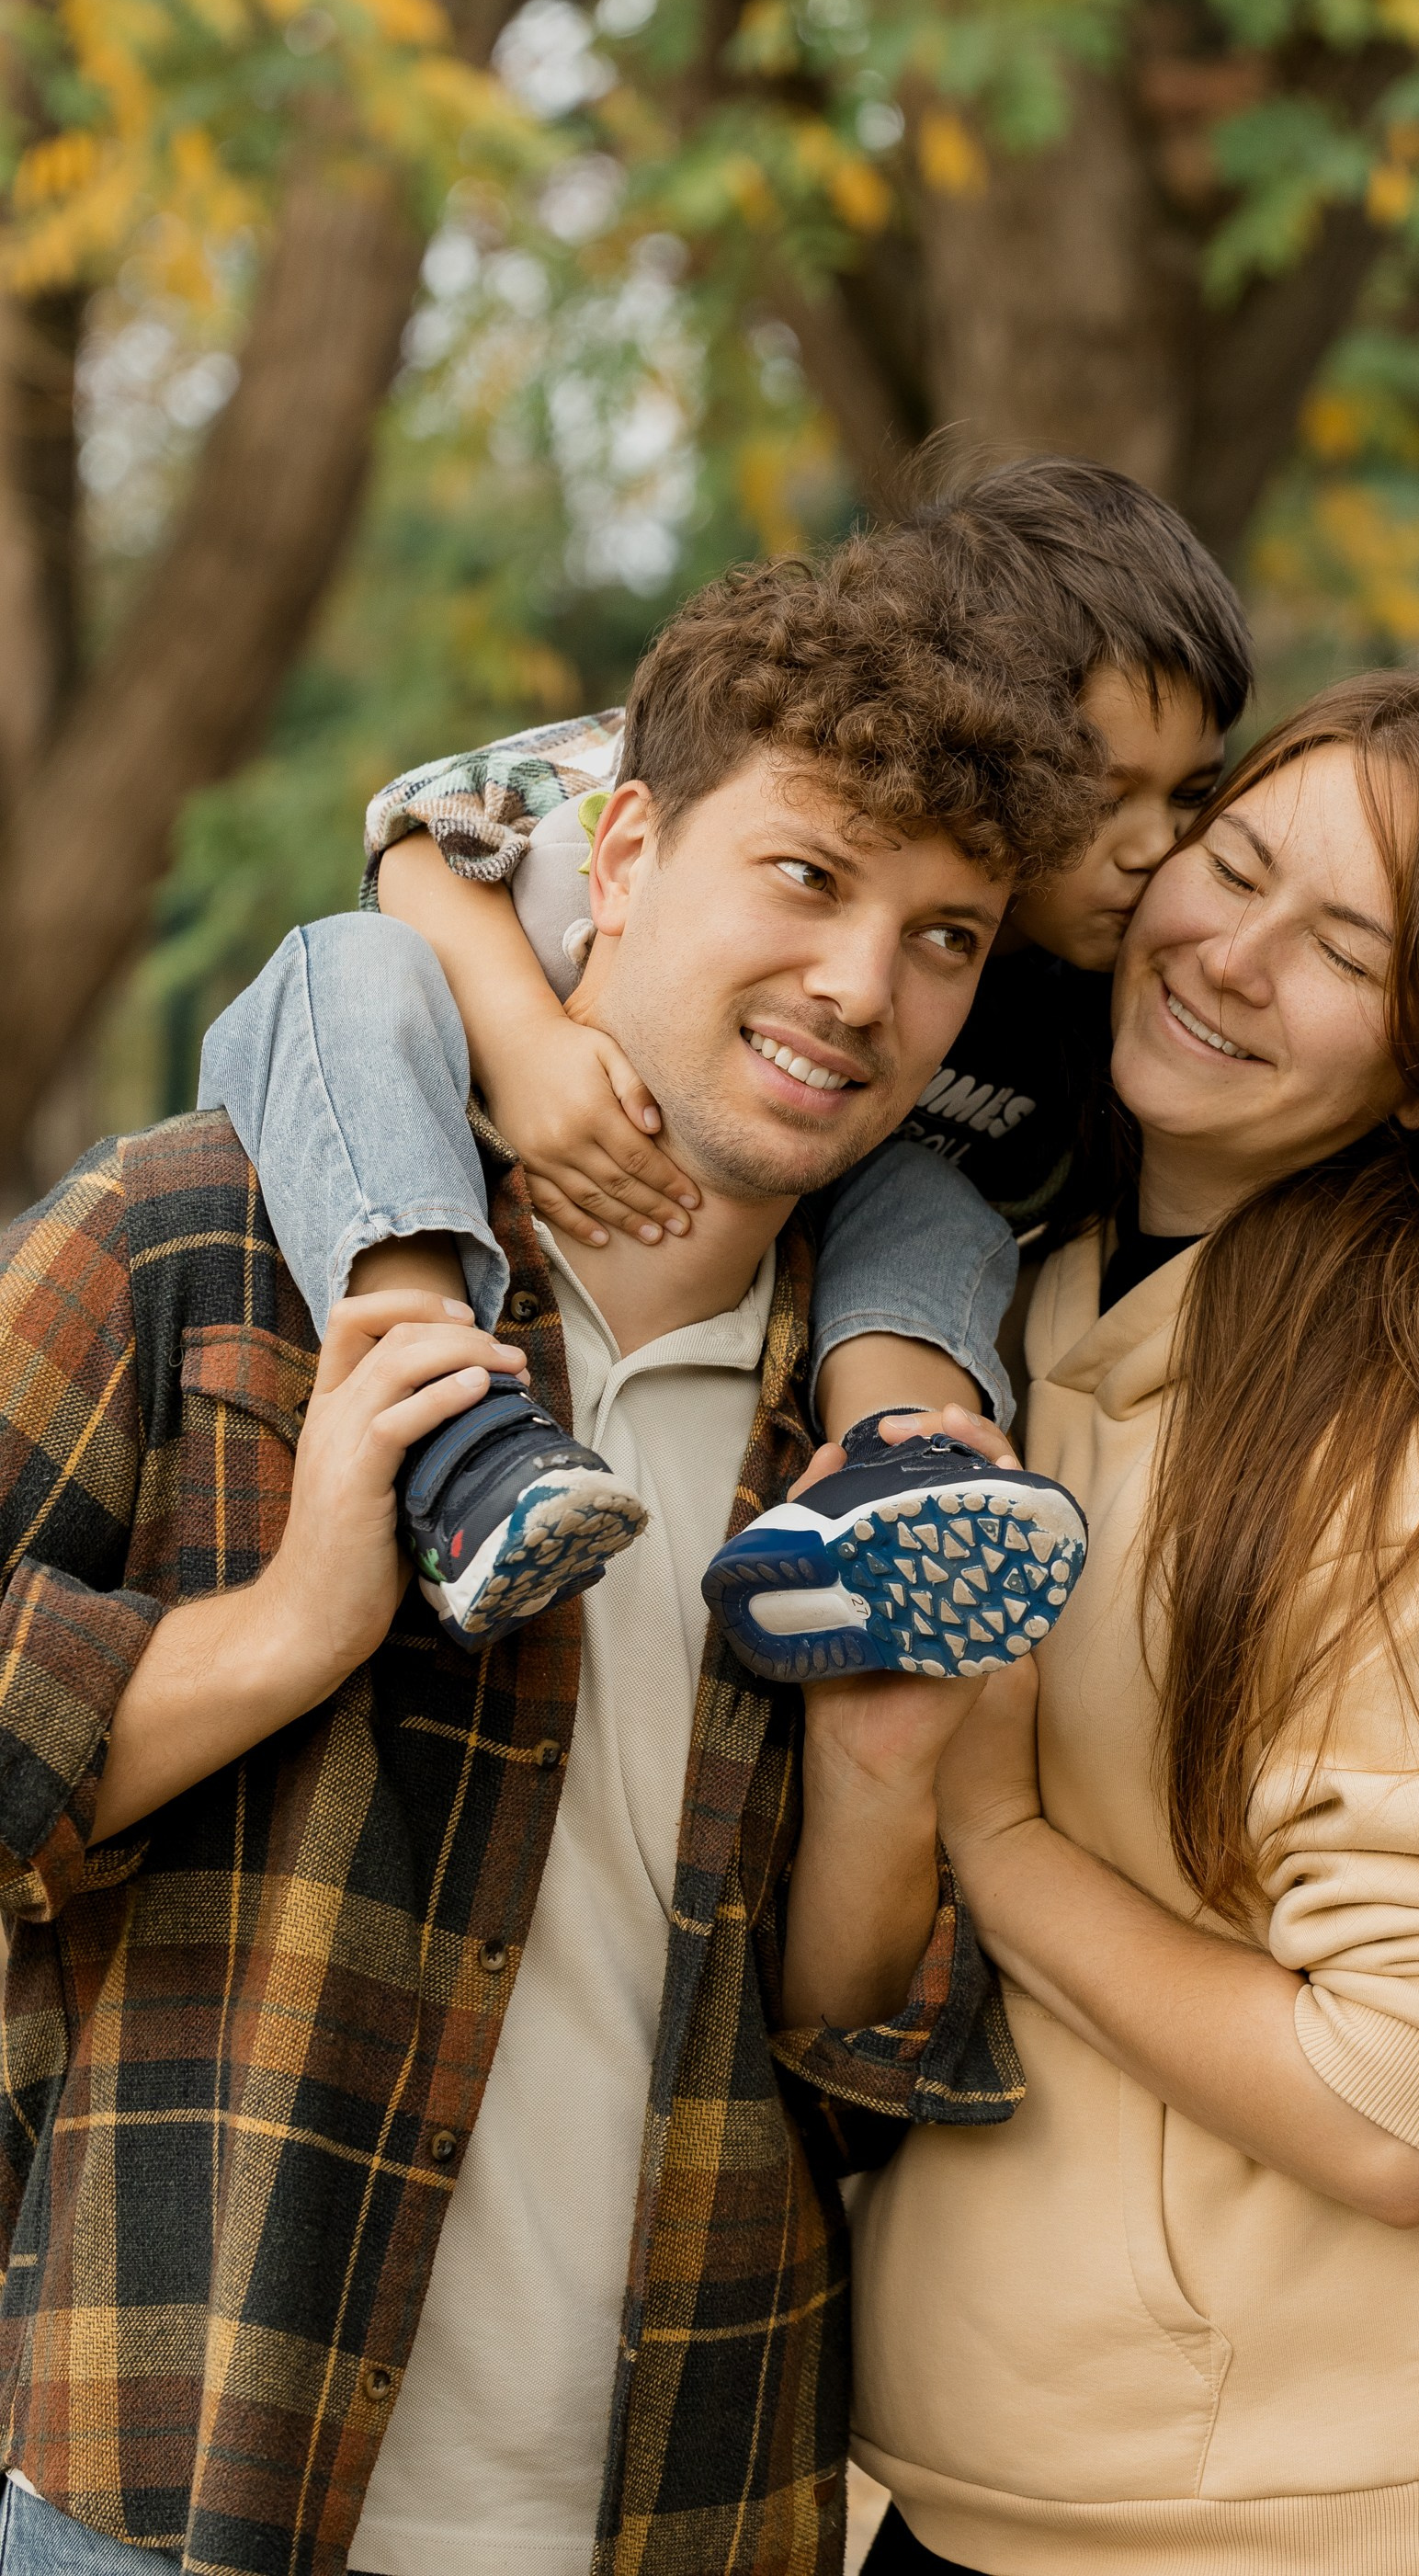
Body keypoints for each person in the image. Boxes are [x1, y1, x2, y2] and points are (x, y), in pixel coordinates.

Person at [0, 541, 1093, 2576]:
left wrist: (876, 1784)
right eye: (807, 877)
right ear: (621, 851)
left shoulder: (898, 1449)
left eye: (942, 937)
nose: (864, 986)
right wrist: (289, 1629)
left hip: (684, 2502)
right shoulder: (198, 1252)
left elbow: (845, 2055)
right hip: (181, 2485)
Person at [840, 659, 1419, 2576]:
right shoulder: (998, 1298)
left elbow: (1390, 2114)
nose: (1227, 954)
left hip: (1299, 2530)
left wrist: (992, 1840)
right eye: (1228, 865)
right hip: (1006, 2485)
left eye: (1339, 945)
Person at [212, 459, 1249, 1665]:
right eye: (1109, 794)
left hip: (778, 1230)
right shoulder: (765, 753)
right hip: (448, 1124)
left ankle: (889, 1482)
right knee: (351, 966)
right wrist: (531, 1045)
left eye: (1190, 798)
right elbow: (415, 835)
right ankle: (447, 1425)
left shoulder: (1090, 1002)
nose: (1154, 849)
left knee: (931, 1200)